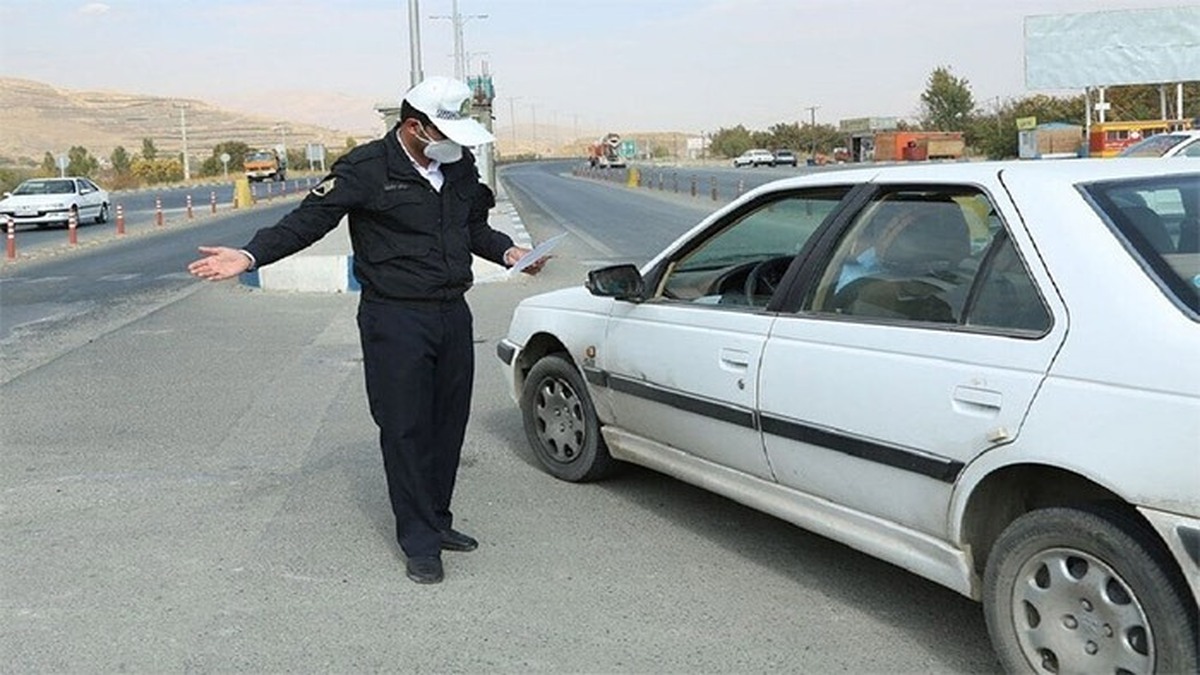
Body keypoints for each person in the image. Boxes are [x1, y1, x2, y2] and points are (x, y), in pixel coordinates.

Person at [188, 76, 545, 585]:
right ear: (415, 127)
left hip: (451, 312)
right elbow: (307, 222)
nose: (455, 143)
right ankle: (419, 541)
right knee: (405, 427)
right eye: (446, 132)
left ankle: (437, 520)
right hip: (394, 317)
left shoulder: (459, 165)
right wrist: (250, 255)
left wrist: (508, 251)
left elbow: (473, 229)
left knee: (447, 423)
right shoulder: (366, 168)